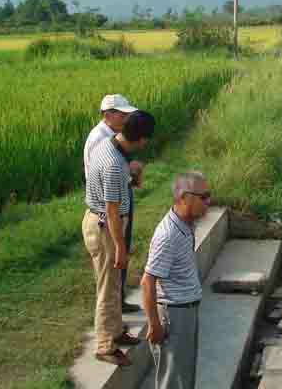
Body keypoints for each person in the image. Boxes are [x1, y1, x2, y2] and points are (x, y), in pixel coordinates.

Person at [83, 110, 155, 366]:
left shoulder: (108, 143)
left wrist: (130, 171)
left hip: (99, 221)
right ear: (142, 139)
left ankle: (115, 332)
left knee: (113, 285)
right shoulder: (114, 164)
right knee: (107, 288)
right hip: (105, 228)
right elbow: (113, 212)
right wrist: (121, 248)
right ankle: (104, 346)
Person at [141, 172, 211, 389]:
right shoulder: (168, 235)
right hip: (174, 315)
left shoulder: (186, 224)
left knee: (183, 379)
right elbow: (147, 281)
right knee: (173, 382)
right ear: (183, 197)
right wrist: (154, 324)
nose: (209, 202)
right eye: (204, 196)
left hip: (185, 312)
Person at [83, 94, 142, 314]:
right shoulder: (101, 138)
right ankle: (113, 309)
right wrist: (130, 173)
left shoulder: (111, 134)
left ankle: (118, 300)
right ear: (107, 115)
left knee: (120, 253)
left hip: (116, 196)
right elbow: (104, 177)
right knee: (115, 255)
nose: (126, 119)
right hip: (108, 204)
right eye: (122, 114)